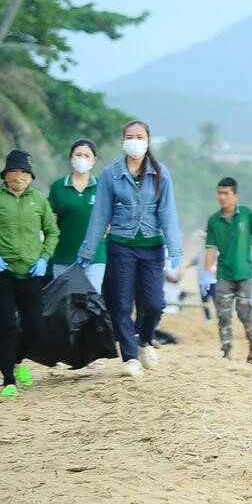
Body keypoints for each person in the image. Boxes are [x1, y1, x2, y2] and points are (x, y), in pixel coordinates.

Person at [78, 119, 183, 377]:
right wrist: (87, 251)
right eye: (130, 137)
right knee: (121, 305)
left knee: (155, 304)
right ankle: (130, 358)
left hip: (152, 248)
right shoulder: (110, 174)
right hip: (121, 246)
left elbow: (167, 212)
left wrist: (175, 247)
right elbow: (100, 216)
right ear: (123, 141)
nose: (135, 141)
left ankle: (145, 340)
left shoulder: (161, 173)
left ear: (148, 141)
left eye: (140, 137)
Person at [0, 150, 58, 397]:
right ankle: (8, 380)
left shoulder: (39, 201)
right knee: (6, 328)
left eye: (23, 172)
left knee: (35, 327)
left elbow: (52, 232)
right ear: (5, 174)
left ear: (31, 176)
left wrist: (43, 257)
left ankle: (18, 362)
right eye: (14, 171)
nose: (18, 176)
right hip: (3, 275)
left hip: (31, 273)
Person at [203, 176, 252, 363]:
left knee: (245, 312)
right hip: (223, 274)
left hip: (244, 273)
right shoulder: (214, 220)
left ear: (235, 195)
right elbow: (211, 248)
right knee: (223, 314)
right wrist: (206, 273)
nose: (222, 197)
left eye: (226, 193)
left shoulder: (247, 214)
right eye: (219, 193)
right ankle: (226, 351)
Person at [47, 139, 105, 287]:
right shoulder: (58, 187)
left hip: (95, 257)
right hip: (63, 255)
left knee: (90, 302)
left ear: (94, 160)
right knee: (63, 302)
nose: (82, 159)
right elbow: (50, 223)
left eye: (87, 155)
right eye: (78, 155)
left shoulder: (102, 186)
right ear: (71, 158)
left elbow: (108, 220)